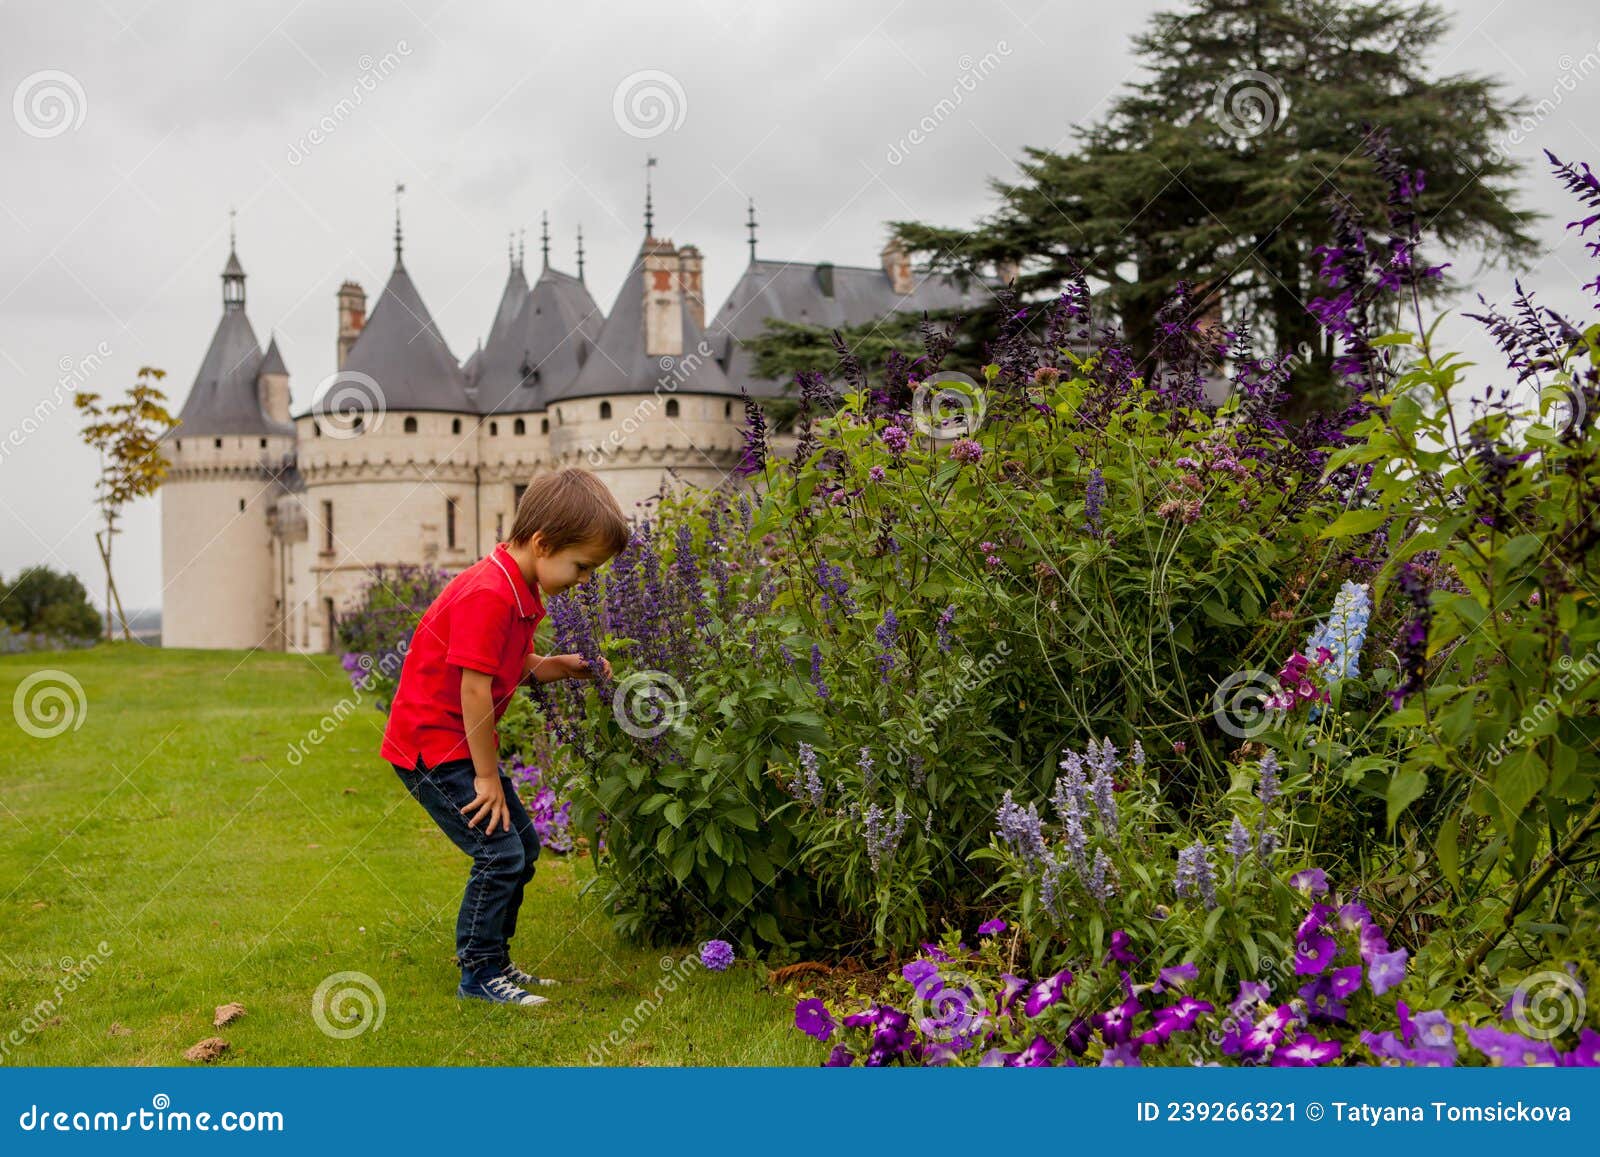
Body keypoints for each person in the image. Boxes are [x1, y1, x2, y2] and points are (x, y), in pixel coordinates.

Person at [381, 467, 628, 1005]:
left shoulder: (516, 584)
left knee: (525, 845)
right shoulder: (490, 593)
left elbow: (503, 665)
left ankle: (497, 964)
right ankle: (479, 976)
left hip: (452, 743)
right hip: (433, 748)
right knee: (499, 855)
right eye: (581, 566)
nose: (584, 580)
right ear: (543, 543)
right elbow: (474, 691)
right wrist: (488, 776)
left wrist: (556, 665)